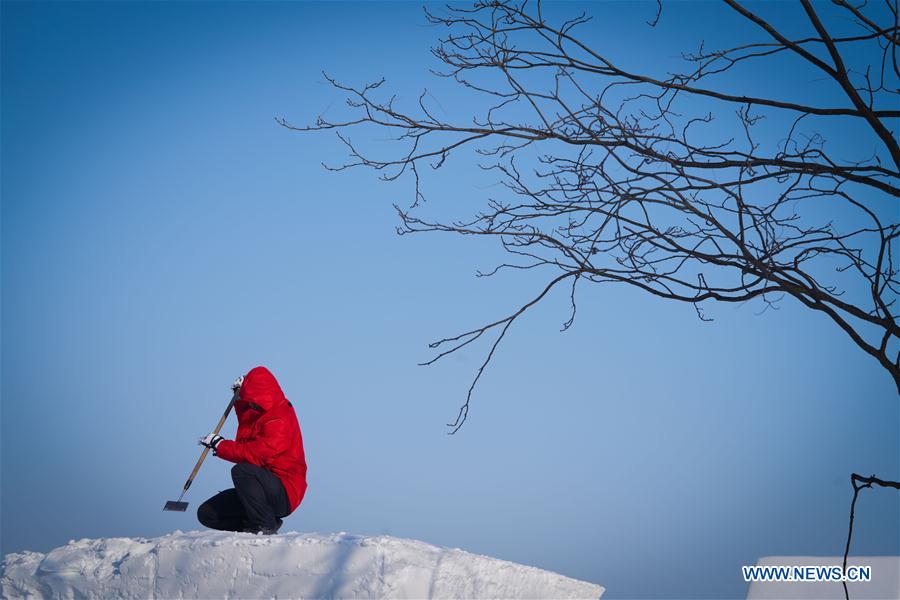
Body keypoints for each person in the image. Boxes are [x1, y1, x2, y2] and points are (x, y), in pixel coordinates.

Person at [197, 366, 307, 535]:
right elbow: (245, 439)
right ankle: (263, 522)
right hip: (260, 490)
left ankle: (264, 525)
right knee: (207, 514)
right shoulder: (257, 415)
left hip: (286, 492)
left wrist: (221, 445)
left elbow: (256, 455)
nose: (250, 403)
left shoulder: (280, 417)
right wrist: (239, 399)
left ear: (261, 394)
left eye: (251, 398)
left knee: (242, 471)